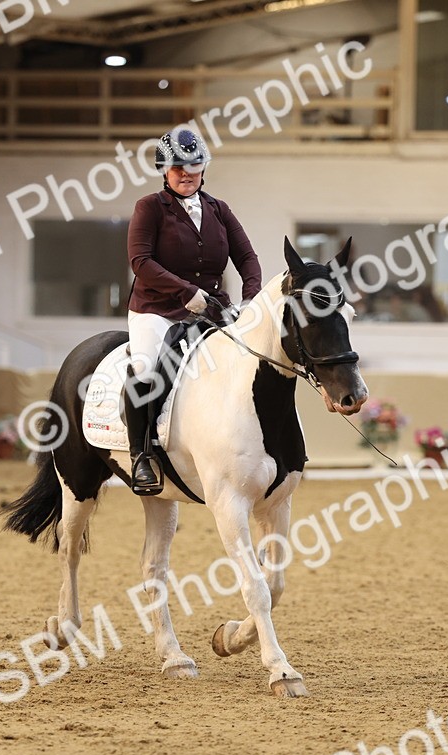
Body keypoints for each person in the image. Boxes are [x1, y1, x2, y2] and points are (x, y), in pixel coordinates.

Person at [124, 128, 263, 495]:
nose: (186, 173)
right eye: (177, 168)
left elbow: (247, 257)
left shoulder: (219, 209)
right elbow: (141, 261)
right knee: (144, 366)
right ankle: (142, 455)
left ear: (204, 167)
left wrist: (251, 300)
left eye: (194, 166)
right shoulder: (150, 207)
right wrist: (188, 293)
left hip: (212, 311)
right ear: (164, 171)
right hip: (157, 309)